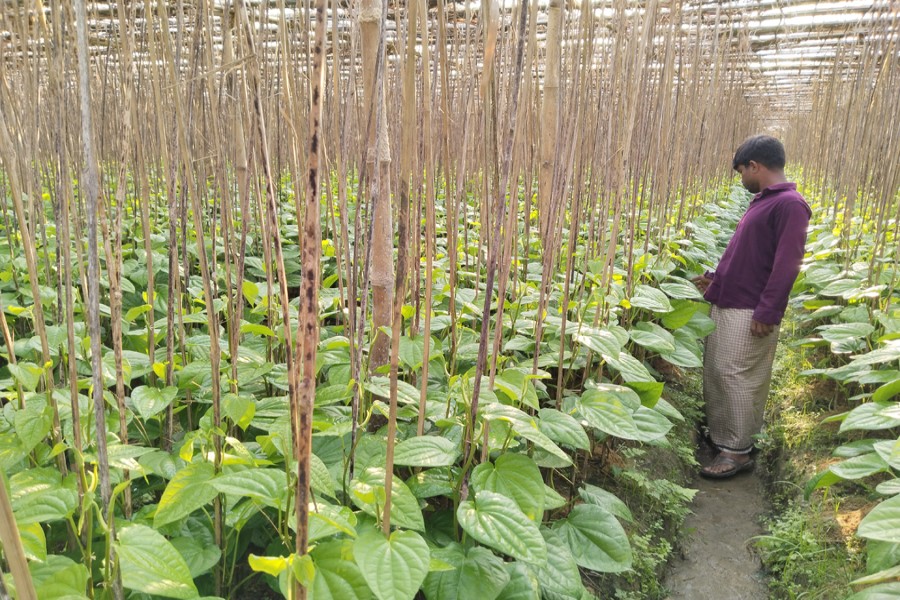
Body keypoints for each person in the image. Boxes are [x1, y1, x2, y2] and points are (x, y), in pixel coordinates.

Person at [692, 135, 811, 479]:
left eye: (741, 170)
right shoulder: (765, 201)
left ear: (754, 166)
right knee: (719, 371)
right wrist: (717, 279)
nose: (740, 178)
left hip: (750, 309)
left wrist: (768, 311)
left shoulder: (790, 204)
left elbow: (788, 263)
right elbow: (748, 253)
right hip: (733, 300)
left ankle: (737, 451)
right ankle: (723, 437)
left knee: (738, 377)